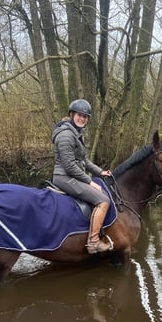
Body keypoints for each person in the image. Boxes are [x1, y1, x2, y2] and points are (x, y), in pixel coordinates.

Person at [51, 99, 113, 254]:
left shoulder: (77, 133)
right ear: (72, 114)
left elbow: (83, 160)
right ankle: (93, 242)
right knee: (103, 200)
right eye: (79, 115)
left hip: (72, 175)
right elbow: (69, 166)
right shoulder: (66, 135)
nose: (82, 119)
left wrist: (100, 172)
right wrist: (89, 181)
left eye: (85, 117)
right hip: (64, 177)